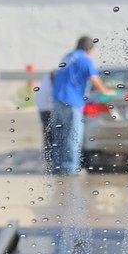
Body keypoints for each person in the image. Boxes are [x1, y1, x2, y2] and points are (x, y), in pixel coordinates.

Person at [51, 36, 113, 175]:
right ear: (90, 50)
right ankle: (71, 168)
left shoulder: (68, 56)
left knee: (60, 135)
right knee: (73, 136)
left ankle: (59, 166)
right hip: (71, 101)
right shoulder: (85, 59)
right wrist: (106, 91)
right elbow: (94, 79)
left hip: (57, 100)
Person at [34, 71, 55, 172]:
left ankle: (48, 156)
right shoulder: (51, 81)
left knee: (47, 133)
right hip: (48, 109)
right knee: (51, 133)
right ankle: (50, 156)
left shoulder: (45, 80)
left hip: (42, 108)